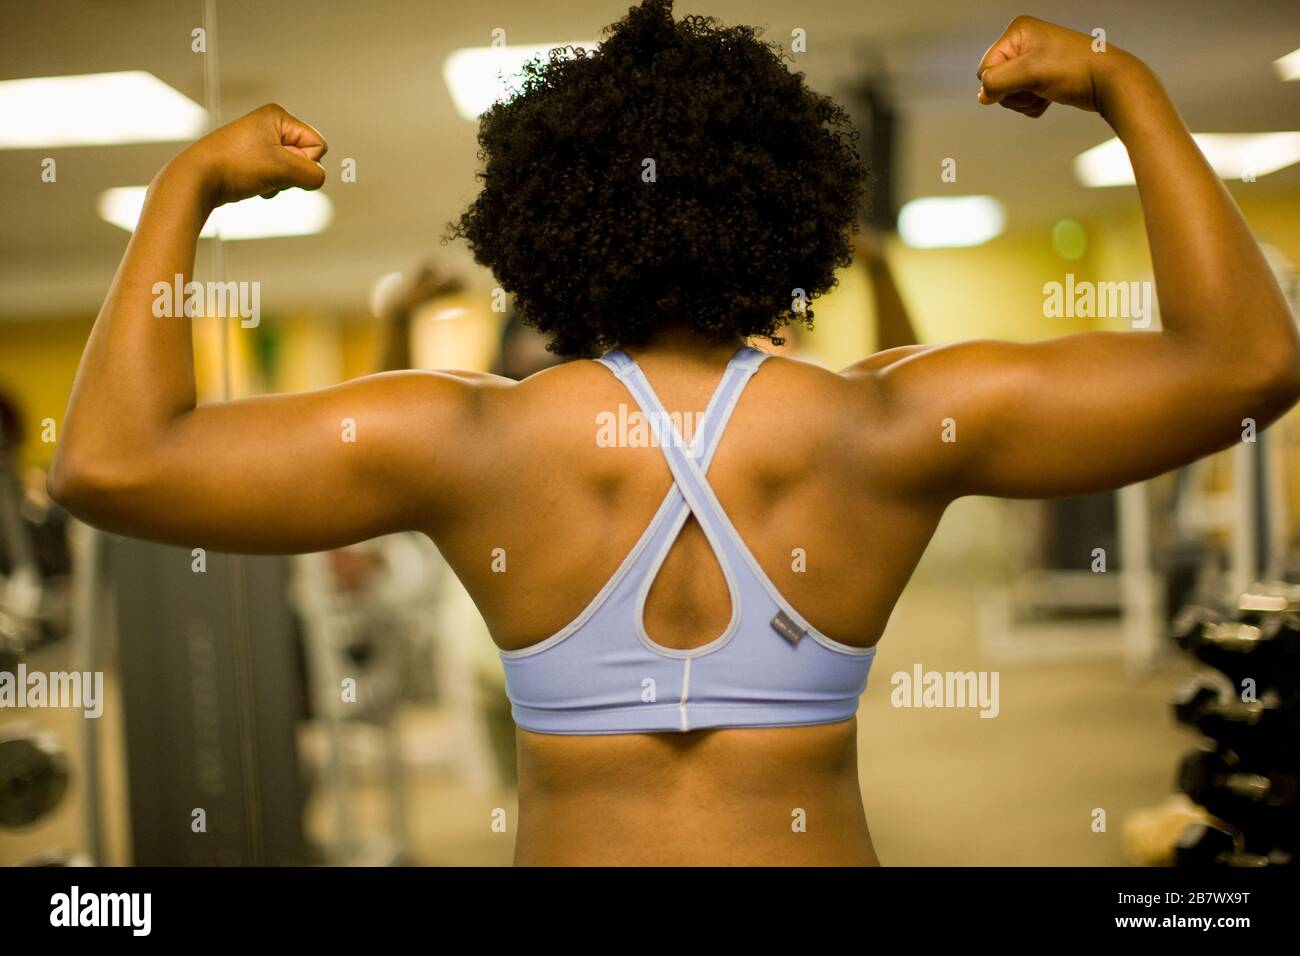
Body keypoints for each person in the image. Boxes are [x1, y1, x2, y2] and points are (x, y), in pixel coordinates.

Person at [48, 4, 1300, 865]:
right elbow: (1245, 363)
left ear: (540, 223)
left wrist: (187, 189)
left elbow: (108, 460)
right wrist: (1125, 89)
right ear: (791, 208)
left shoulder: (472, 439)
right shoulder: (881, 419)